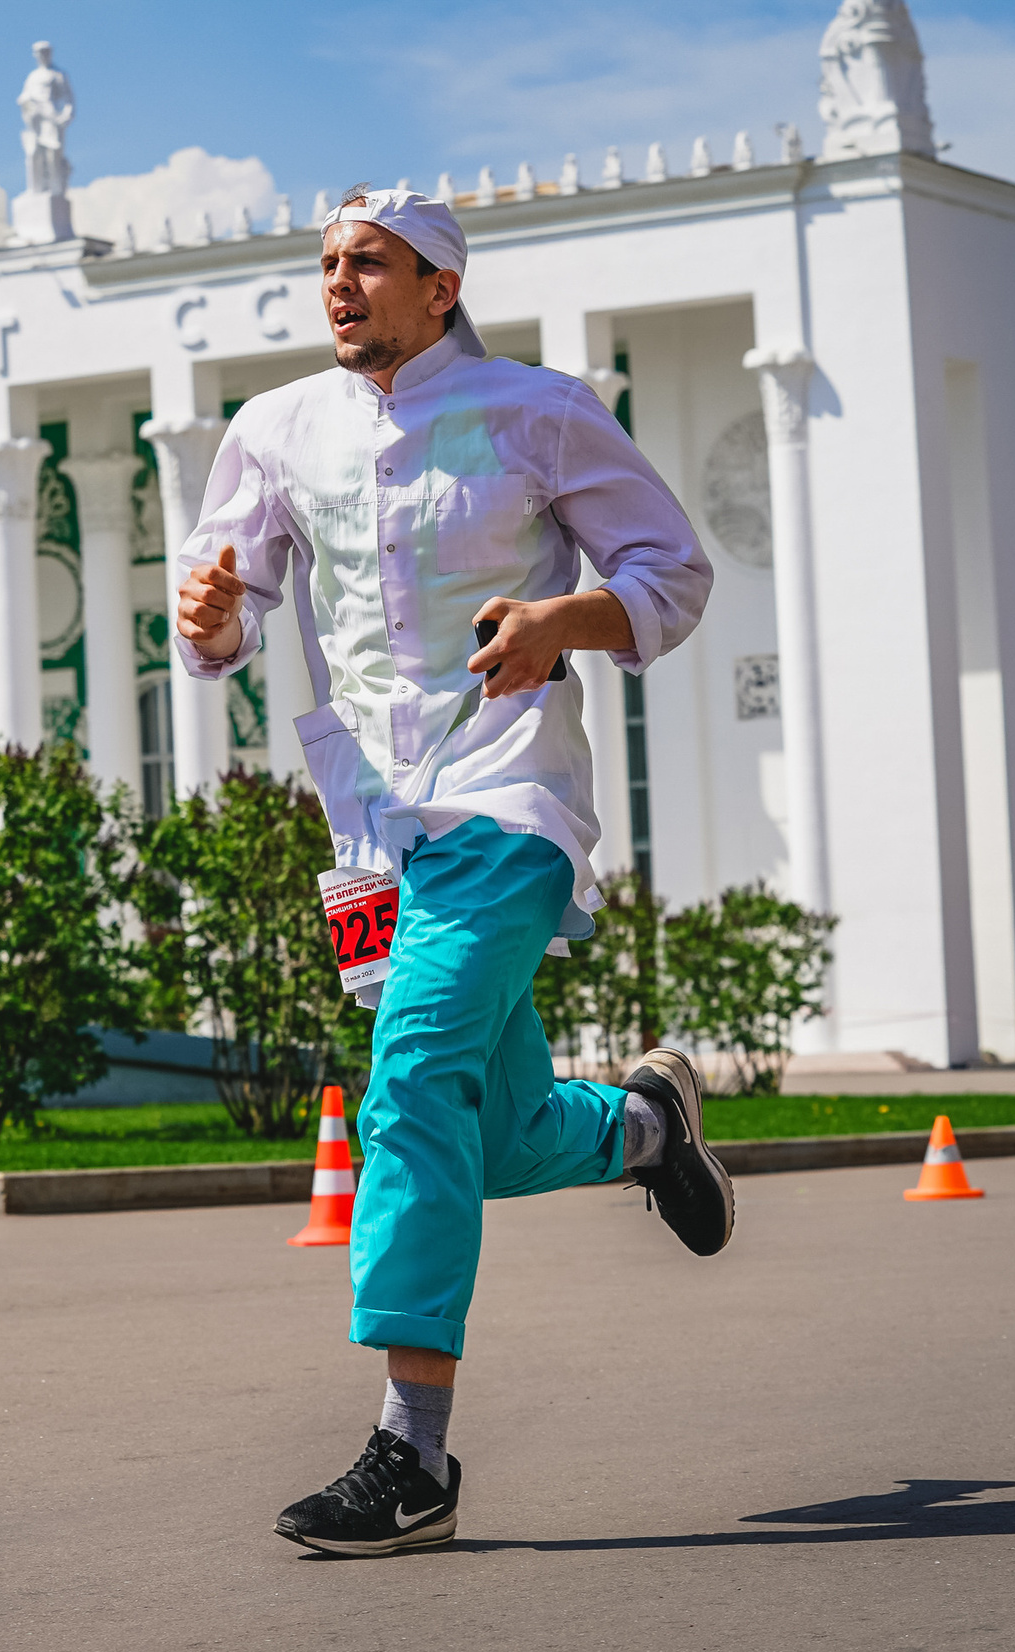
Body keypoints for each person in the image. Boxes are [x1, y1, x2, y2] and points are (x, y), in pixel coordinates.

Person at [172, 185, 728, 1558]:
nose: (339, 282)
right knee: (487, 1126)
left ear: (440, 285)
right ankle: (644, 1127)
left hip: (508, 799)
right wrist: (211, 615)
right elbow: (220, 618)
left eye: (369, 262)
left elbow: (671, 568)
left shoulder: (536, 411)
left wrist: (561, 621)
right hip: (373, 831)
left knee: (412, 1080)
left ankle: (411, 1455)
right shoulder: (275, 429)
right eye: (327, 263)